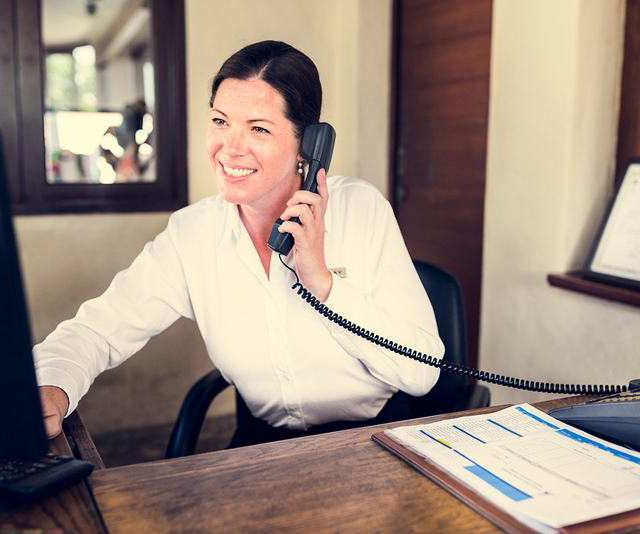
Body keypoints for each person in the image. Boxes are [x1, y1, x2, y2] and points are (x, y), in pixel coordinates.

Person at [35, 40, 442, 448]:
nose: (230, 147)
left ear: (309, 144)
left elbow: (422, 373)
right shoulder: (192, 233)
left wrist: (322, 282)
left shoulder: (362, 209)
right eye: (220, 121)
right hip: (261, 448)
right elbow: (99, 329)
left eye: (259, 128)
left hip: (371, 442)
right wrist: (53, 386)